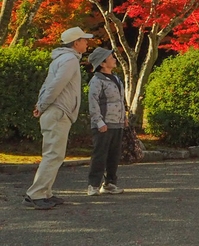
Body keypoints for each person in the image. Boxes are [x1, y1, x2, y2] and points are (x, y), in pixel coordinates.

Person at [22, 26, 94, 210]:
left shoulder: (63, 59)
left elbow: (49, 84)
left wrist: (40, 105)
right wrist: (42, 105)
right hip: (58, 112)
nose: (87, 42)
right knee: (53, 155)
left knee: (54, 154)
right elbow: (55, 86)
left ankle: (45, 192)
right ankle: (36, 194)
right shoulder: (70, 60)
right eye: (84, 40)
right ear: (76, 43)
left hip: (55, 112)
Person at [86, 47, 126, 196]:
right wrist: (98, 121)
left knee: (114, 155)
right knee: (100, 154)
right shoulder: (96, 80)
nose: (114, 59)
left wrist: (124, 118)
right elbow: (93, 101)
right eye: (111, 57)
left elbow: (121, 100)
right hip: (103, 123)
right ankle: (93, 185)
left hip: (117, 123)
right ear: (103, 63)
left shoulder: (117, 78)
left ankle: (110, 183)